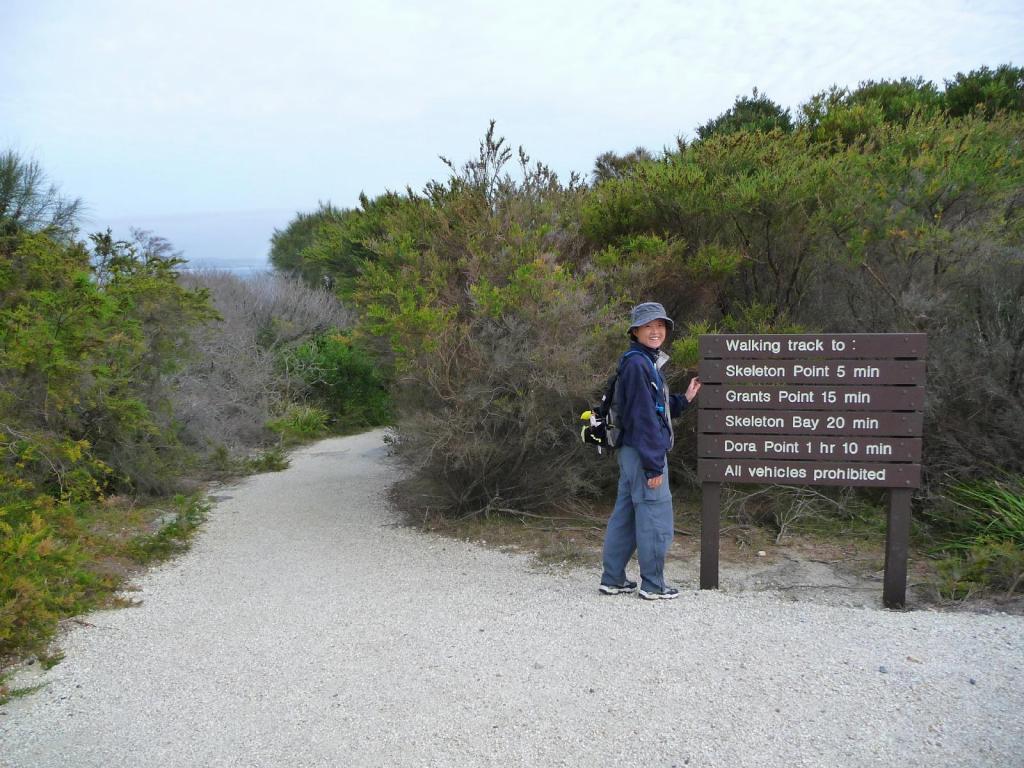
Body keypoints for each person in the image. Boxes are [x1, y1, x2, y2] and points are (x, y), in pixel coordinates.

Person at [599, 301, 701, 600]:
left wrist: (684, 400)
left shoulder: (639, 361)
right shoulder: (638, 364)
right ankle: (653, 585)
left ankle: (613, 579)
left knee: (627, 515)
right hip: (642, 454)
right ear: (635, 331)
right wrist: (654, 465)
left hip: (631, 453)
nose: (655, 331)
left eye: (660, 326)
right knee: (655, 517)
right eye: (648, 326)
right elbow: (643, 419)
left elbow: (652, 407)